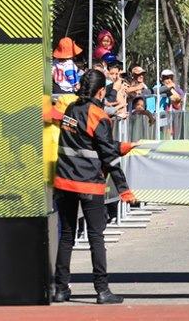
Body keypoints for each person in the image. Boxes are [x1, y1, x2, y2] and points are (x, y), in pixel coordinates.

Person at [51, 70, 137, 305]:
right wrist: (124, 190)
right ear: (100, 92)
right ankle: (102, 290)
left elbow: (88, 143)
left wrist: (122, 146)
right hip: (89, 184)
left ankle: (60, 289)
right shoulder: (99, 116)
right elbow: (108, 156)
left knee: (67, 236)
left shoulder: (70, 110)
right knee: (96, 237)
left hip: (64, 182)